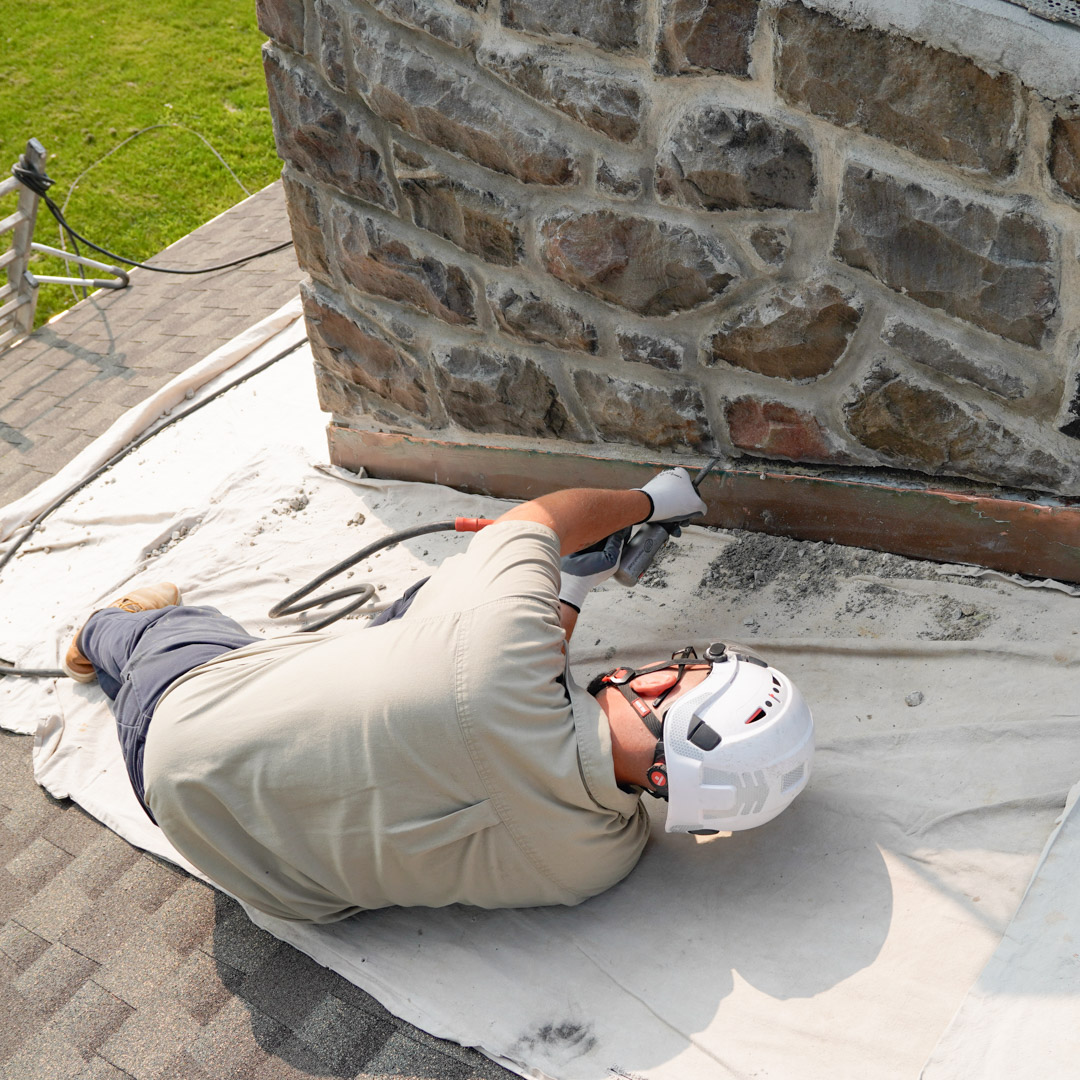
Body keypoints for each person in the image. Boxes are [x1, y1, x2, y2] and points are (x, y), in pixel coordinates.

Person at [63, 469, 813, 923]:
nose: (665, 662)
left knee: (176, 627)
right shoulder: (599, 863)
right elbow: (521, 719)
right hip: (275, 885)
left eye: (684, 668)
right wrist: (570, 585)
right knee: (432, 626)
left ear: (658, 685)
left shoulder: (496, 650)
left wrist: (646, 502)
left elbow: (540, 523)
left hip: (180, 730)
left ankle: (97, 629)